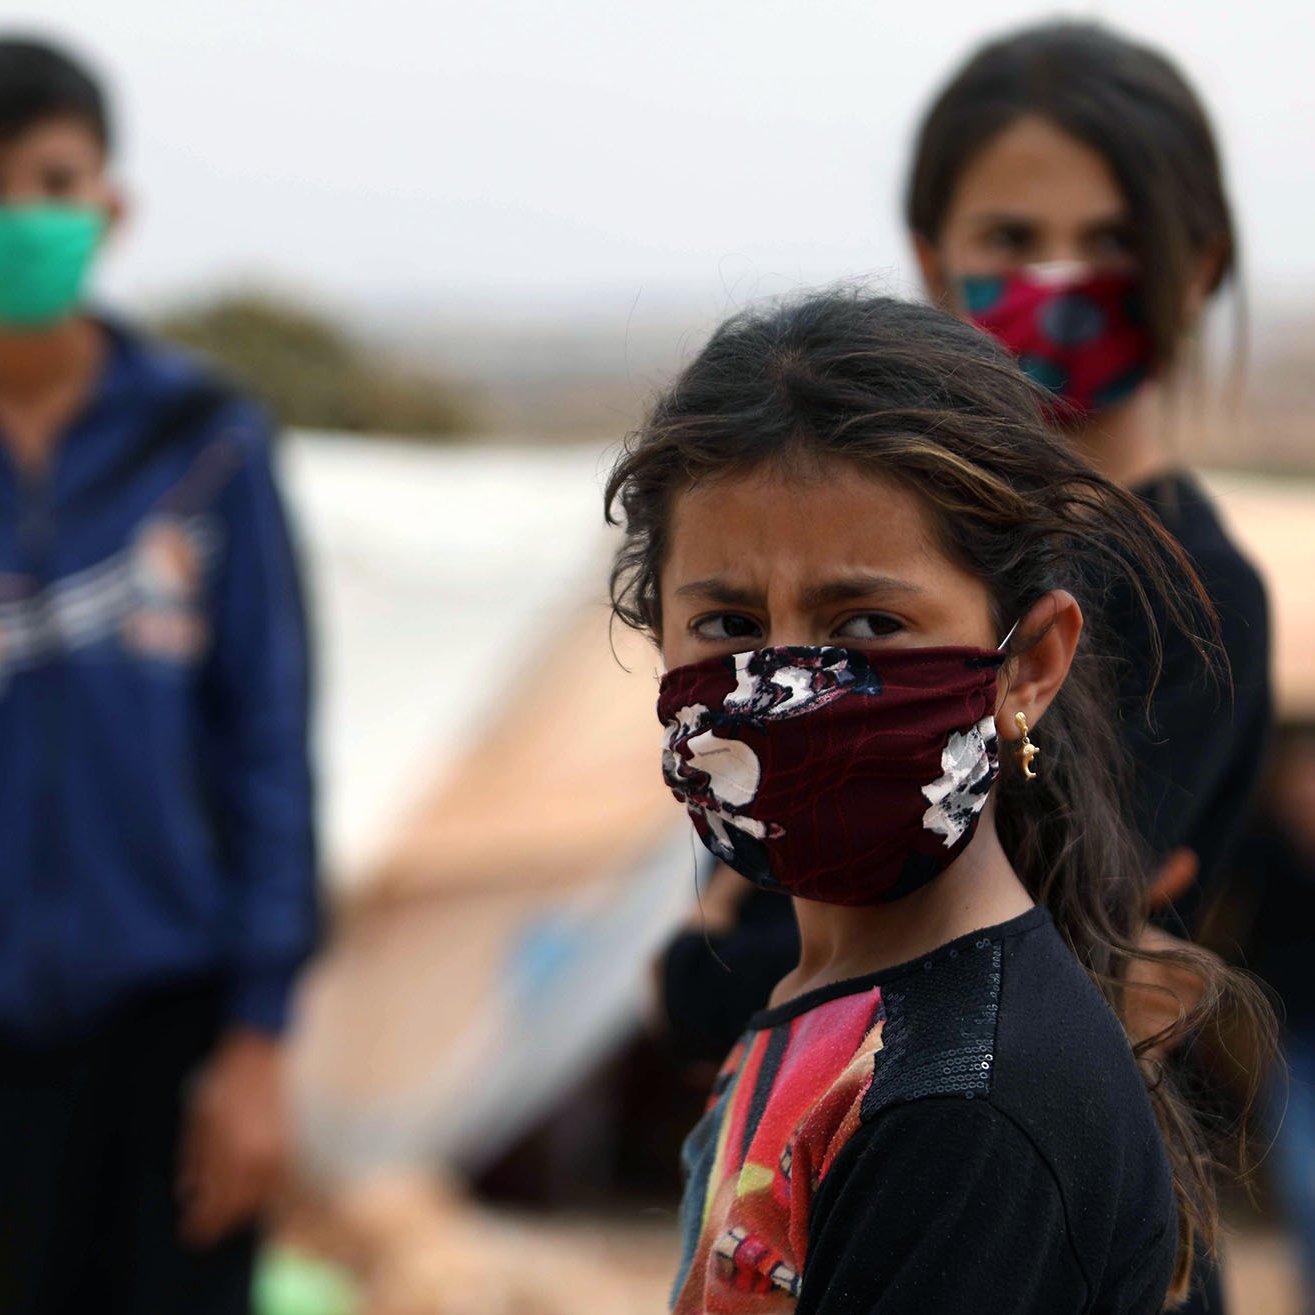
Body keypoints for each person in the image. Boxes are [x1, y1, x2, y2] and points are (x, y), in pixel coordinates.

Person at [607, 288, 1272, 1313]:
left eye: (867, 622)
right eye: (730, 619)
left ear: (1027, 666)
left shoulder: (961, 1108)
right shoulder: (834, 1007)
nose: (785, 683)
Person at [0, 37, 316, 1315]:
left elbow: (269, 745)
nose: (22, 217)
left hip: (167, 1038)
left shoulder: (205, 444)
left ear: (109, 207)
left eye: (52, 181)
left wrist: (256, 1045)